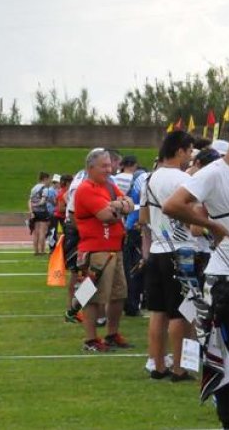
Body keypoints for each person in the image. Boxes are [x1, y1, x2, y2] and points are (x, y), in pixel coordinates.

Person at [163, 109, 229, 430]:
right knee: (227, 353)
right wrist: (212, 224)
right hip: (226, 276)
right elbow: (173, 205)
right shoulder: (213, 172)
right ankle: (228, 420)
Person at [140, 131, 198, 381]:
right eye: (189, 151)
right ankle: (179, 368)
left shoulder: (149, 179)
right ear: (180, 151)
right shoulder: (183, 179)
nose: (190, 156)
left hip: (157, 249)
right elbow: (194, 219)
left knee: (158, 312)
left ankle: (158, 364)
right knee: (180, 312)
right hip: (181, 249)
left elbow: (143, 218)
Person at [72, 148, 136, 352]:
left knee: (119, 294)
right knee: (92, 296)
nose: (110, 169)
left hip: (114, 248)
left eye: (110, 165)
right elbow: (105, 216)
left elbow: (130, 205)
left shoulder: (109, 186)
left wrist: (116, 206)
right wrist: (119, 207)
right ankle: (91, 340)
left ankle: (111, 334)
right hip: (95, 250)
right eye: (104, 166)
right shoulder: (86, 189)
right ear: (91, 167)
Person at [117, 155, 148, 317]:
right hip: (135, 227)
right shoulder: (144, 179)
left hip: (128, 227)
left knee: (130, 268)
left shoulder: (135, 179)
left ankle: (131, 303)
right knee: (137, 268)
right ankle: (132, 304)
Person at [28, 171, 52, 255]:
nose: (49, 181)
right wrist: (37, 204)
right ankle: (42, 251)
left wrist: (31, 210)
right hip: (42, 211)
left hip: (34, 212)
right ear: (45, 179)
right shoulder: (44, 188)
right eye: (49, 179)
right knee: (42, 232)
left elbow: (30, 200)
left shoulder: (34, 188)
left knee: (35, 232)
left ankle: (36, 251)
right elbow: (42, 201)